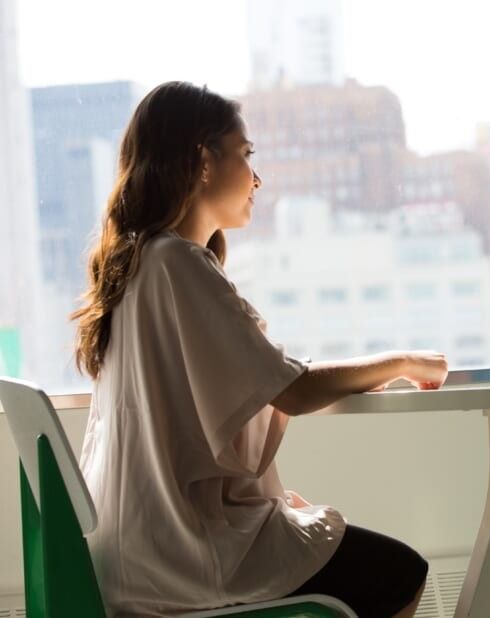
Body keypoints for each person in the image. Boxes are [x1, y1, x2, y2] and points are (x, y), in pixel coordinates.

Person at [72, 81, 449, 617]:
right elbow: (291, 389)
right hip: (183, 554)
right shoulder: (177, 264)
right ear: (204, 160)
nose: (257, 177)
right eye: (246, 155)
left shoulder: (135, 267)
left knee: (343, 546)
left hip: (133, 550)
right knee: (400, 572)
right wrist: (404, 361)